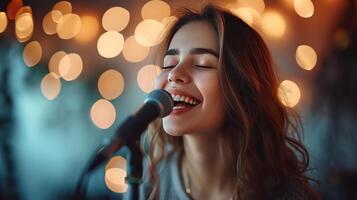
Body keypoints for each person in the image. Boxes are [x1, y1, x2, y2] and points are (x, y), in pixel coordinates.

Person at [135, 4, 318, 200]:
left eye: (202, 64)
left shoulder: (288, 195)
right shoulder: (150, 183)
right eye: (168, 64)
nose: (173, 74)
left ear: (242, 86)